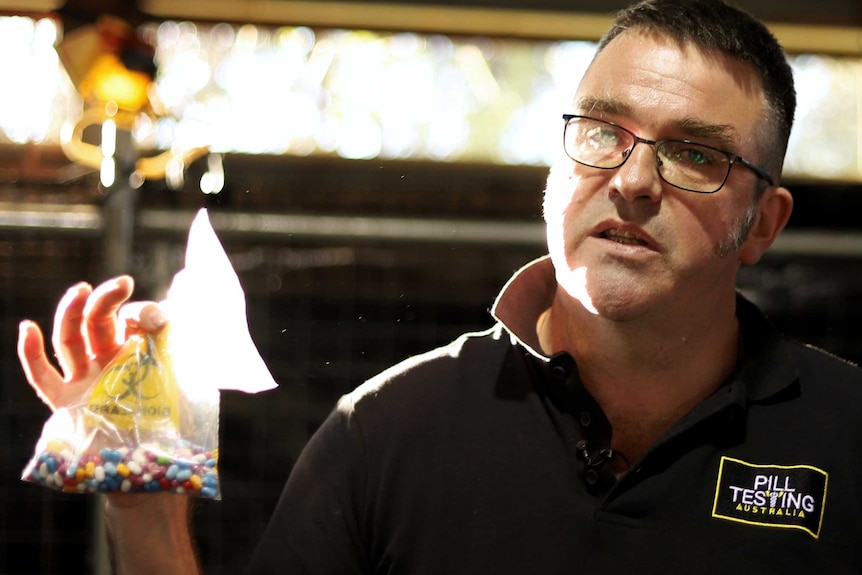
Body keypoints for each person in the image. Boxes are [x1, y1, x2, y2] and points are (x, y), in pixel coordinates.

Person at [17, 0, 862, 572]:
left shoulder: (846, 434)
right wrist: (141, 488)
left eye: (695, 154)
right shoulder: (388, 430)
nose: (634, 180)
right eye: (603, 131)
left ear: (762, 223)